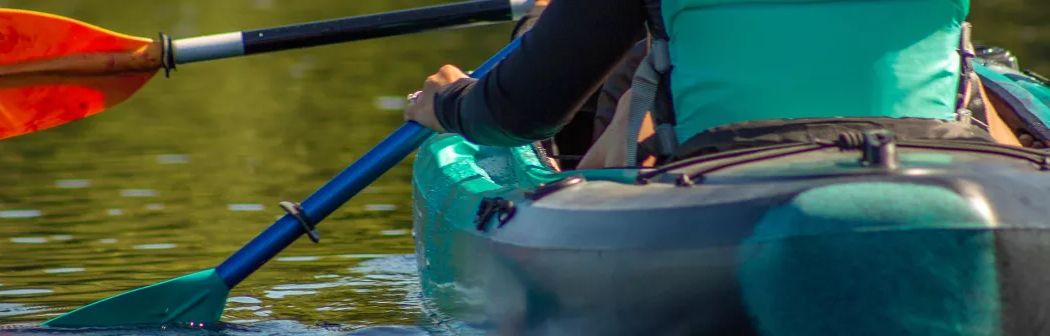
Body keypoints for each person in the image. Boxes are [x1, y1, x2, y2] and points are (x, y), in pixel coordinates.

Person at [404, 0, 1040, 170]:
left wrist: (449, 103)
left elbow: (522, 112)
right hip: (938, 158)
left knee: (643, 79)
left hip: (731, 165)